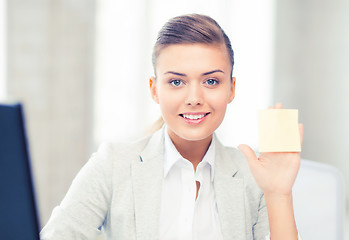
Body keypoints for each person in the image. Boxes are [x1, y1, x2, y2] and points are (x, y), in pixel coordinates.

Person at [40, 14, 303, 240]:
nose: (194, 98)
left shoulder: (252, 177)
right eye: (176, 82)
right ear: (155, 90)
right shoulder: (113, 164)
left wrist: (279, 194)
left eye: (211, 81)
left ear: (231, 89)